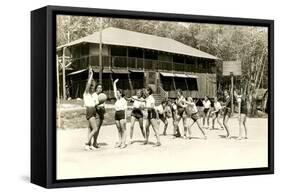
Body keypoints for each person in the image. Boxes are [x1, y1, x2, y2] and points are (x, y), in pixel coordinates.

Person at [83, 68, 101, 151]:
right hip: (90, 110)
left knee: (90, 128)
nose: (91, 88)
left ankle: (89, 145)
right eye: (90, 87)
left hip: (93, 110)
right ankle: (86, 143)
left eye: (92, 87)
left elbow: (96, 103)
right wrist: (91, 75)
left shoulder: (93, 94)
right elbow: (89, 83)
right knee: (95, 129)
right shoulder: (86, 93)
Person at [113, 79, 128, 149]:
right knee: (119, 129)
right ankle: (120, 142)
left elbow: (125, 109)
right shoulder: (117, 99)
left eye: (118, 93)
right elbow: (114, 90)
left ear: (121, 93)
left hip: (122, 114)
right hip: (116, 114)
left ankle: (123, 142)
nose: (117, 93)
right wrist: (114, 83)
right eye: (117, 93)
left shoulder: (124, 100)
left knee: (123, 129)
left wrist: (125, 118)